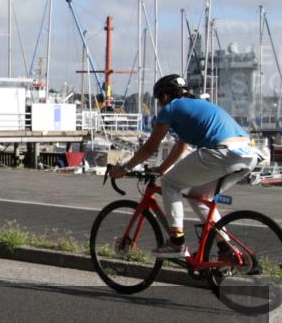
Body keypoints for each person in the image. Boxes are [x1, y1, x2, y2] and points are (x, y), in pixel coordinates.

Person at [110, 74, 259, 258]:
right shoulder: (197, 106)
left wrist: (124, 168)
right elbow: (182, 145)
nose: (160, 104)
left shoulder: (171, 108)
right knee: (198, 196)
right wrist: (163, 167)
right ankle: (226, 249)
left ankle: (176, 242)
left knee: (170, 184)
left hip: (222, 152)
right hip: (248, 154)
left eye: (159, 100)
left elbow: (149, 148)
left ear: (165, 96)